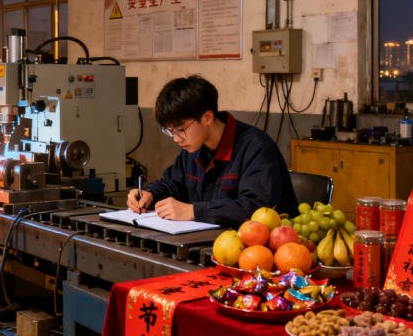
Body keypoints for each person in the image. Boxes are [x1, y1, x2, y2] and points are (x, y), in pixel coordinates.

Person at [127, 75, 298, 228]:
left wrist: (194, 211)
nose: (176, 138)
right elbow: (173, 183)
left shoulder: (256, 148)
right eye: (169, 131)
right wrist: (150, 193)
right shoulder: (193, 147)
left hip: (260, 250)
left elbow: (257, 208)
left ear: (207, 118)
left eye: (181, 129)